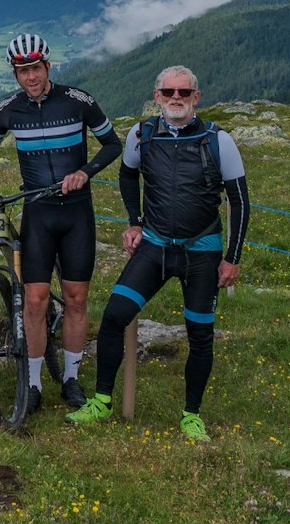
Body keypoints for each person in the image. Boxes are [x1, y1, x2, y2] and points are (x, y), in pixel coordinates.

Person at [0, 34, 120, 413]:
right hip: (38, 212)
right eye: (22, 71)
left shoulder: (78, 101)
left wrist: (85, 172)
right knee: (33, 301)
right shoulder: (8, 110)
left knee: (76, 298)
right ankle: (32, 384)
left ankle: (70, 379)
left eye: (35, 68)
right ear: (15, 74)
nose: (30, 77)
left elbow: (113, 145)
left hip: (76, 211)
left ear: (48, 67)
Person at [67, 65, 248, 442]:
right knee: (115, 316)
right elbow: (127, 175)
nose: (176, 99)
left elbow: (240, 202)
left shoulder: (219, 140)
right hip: (154, 246)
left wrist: (232, 258)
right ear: (157, 97)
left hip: (202, 251)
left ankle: (191, 416)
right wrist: (134, 221)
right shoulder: (142, 134)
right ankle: (101, 401)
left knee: (200, 334)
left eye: (184, 93)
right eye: (168, 93)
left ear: (197, 98)